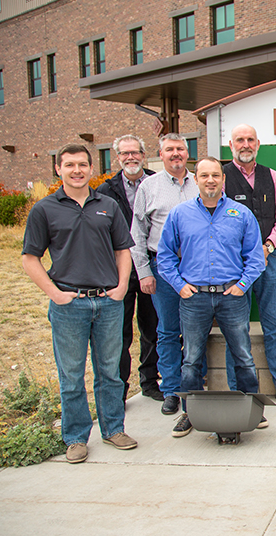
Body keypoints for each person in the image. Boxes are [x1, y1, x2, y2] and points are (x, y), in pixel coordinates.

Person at [21, 144, 137, 463]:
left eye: (82, 164)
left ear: (90, 168)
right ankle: (75, 438)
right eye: (70, 165)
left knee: (110, 372)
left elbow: (122, 250)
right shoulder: (45, 209)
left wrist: (123, 285)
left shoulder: (108, 205)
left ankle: (113, 429)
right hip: (69, 303)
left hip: (108, 303)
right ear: (58, 169)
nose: (77, 170)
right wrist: (54, 293)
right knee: (71, 375)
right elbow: (30, 259)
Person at [157, 157, 267, 437]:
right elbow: (165, 256)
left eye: (215, 175)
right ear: (196, 179)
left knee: (242, 354)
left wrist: (242, 285)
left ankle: (252, 410)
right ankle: (189, 414)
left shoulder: (241, 214)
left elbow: (255, 257)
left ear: (223, 179)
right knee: (192, 358)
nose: (210, 180)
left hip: (232, 296)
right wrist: (179, 285)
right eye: (204, 175)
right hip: (194, 297)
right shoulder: (179, 215)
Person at [222, 124, 276, 406]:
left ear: (258, 144)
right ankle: (240, 393)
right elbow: (217, 222)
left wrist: (267, 246)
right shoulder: (221, 177)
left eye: (250, 140)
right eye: (239, 140)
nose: (245, 144)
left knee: (274, 326)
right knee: (236, 328)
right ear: (230, 144)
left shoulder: (272, 176)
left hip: (269, 260)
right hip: (234, 266)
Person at [130, 133, 201, 416]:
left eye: (180, 149)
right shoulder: (149, 187)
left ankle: (194, 388)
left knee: (195, 332)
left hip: (198, 269)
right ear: (161, 155)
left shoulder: (202, 182)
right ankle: (171, 390)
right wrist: (145, 273)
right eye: (170, 149)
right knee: (168, 331)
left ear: (187, 153)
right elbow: (137, 234)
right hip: (164, 268)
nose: (176, 154)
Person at [96, 134, 161, 401]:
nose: (130, 157)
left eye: (135, 152)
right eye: (124, 153)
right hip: (118, 272)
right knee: (119, 334)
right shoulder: (105, 191)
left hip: (149, 267)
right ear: (117, 158)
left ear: (143, 156)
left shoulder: (157, 183)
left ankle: (149, 381)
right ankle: (118, 390)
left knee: (152, 328)